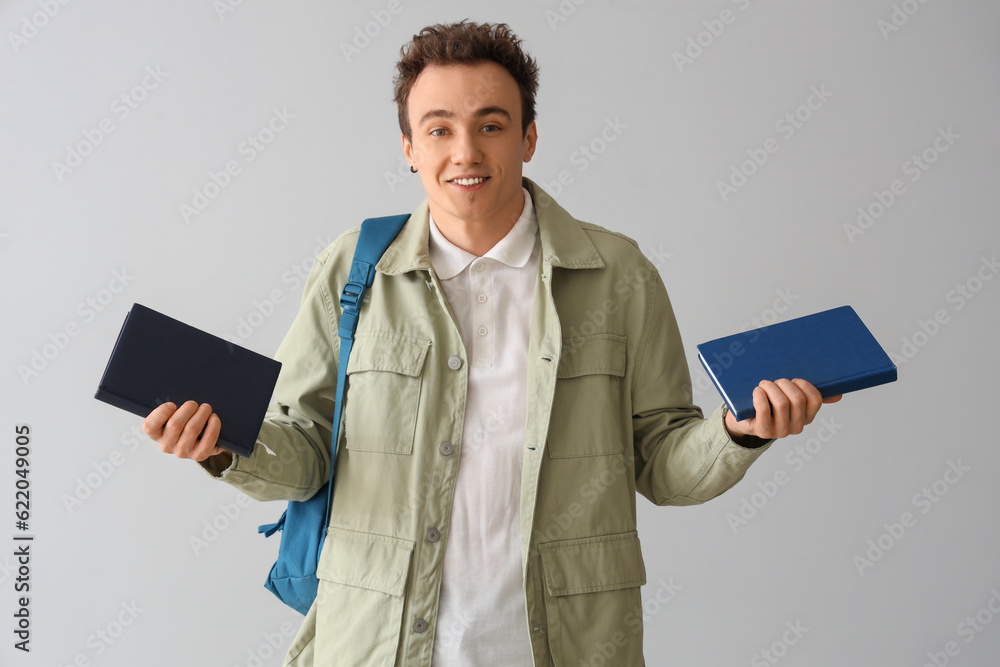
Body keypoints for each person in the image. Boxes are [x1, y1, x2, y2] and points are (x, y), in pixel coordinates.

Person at [143, 20, 841, 666]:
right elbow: (301, 454)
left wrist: (738, 433)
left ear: (528, 137)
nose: (466, 152)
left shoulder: (618, 275)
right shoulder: (353, 270)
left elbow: (662, 460)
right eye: (439, 129)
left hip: (566, 646)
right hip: (379, 646)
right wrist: (220, 442)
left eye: (491, 125)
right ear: (410, 148)